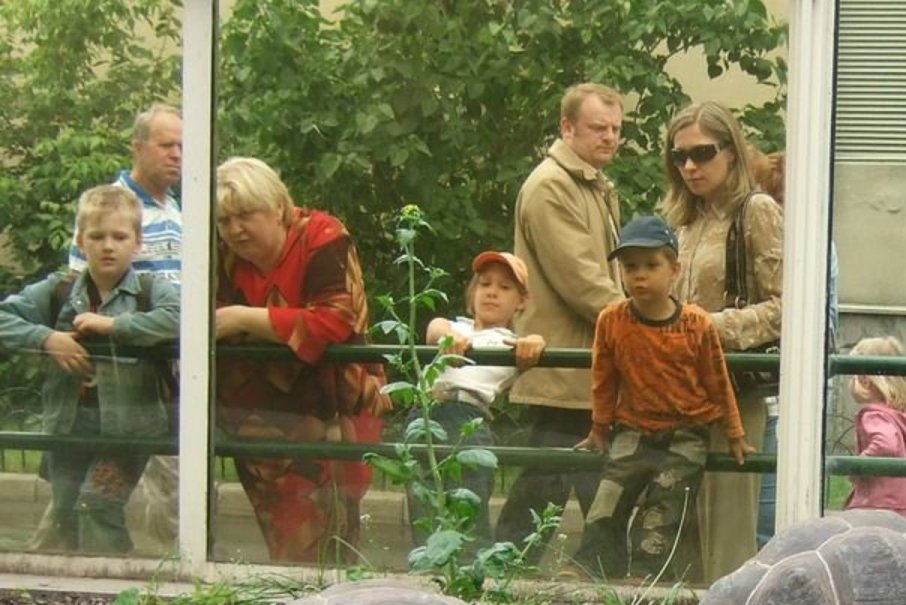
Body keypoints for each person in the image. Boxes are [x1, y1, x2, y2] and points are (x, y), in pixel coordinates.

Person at [212, 157, 390, 564]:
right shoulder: (222, 255)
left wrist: (239, 319)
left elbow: (333, 321)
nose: (235, 230)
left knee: (333, 536)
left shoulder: (324, 237)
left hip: (334, 409)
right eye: (224, 221)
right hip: (259, 421)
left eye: (245, 215)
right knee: (286, 539)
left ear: (277, 206)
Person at [31, 103, 185, 551]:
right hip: (114, 376)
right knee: (81, 498)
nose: (177, 154)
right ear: (138, 147)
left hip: (168, 371)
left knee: (173, 483)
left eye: (182, 146)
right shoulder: (112, 209)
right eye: (166, 145)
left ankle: (174, 570)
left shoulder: (176, 207)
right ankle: (48, 569)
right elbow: (81, 296)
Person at [0, 185, 180, 552]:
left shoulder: (150, 290)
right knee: (66, 511)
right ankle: (75, 598)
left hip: (129, 429)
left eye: (119, 236)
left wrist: (114, 327)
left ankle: (117, 589)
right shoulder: (60, 291)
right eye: (97, 236)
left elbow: (180, 319)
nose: (108, 245)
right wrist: (46, 338)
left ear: (138, 242)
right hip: (69, 424)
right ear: (81, 241)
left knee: (96, 503)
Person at [573, 215, 750, 580]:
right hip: (634, 428)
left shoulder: (696, 324)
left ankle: (646, 572)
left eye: (651, 266)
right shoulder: (612, 320)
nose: (640, 276)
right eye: (630, 266)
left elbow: (718, 380)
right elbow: (604, 379)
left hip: (686, 431)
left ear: (674, 270)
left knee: (663, 505)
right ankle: (592, 564)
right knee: (609, 495)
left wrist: (734, 433)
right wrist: (599, 428)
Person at [496, 83, 626, 548]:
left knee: (570, 480)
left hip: (583, 365)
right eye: (598, 128)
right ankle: (507, 569)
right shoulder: (552, 185)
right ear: (567, 128)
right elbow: (582, 281)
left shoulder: (587, 182)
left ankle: (510, 569)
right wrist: (644, 327)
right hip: (566, 368)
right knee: (558, 482)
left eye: (615, 129)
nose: (609, 137)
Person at [663, 101, 784, 582]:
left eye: (703, 153)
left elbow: (787, 306)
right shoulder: (682, 219)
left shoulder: (756, 210)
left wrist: (712, 325)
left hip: (732, 388)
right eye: (679, 157)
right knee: (675, 529)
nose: (690, 166)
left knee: (728, 537)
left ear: (731, 152)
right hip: (674, 391)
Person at [408, 250, 545, 544]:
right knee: (424, 503)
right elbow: (434, 328)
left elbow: (534, 346)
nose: (492, 292)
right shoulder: (455, 328)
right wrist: (447, 336)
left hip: (467, 419)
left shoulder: (510, 342)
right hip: (425, 414)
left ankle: (472, 579)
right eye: (485, 284)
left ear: (522, 302)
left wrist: (535, 341)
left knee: (468, 507)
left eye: (505, 287)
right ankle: (428, 573)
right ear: (473, 293)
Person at [746, 146, 840, 548]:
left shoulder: (800, 239)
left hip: (787, 379)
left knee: (771, 500)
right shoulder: (816, 236)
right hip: (807, 371)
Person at [843, 336, 906, 522]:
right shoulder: (898, 414)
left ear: (865, 380)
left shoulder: (874, 415)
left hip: (881, 506)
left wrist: (859, 465)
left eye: (852, 376)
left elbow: (886, 444)